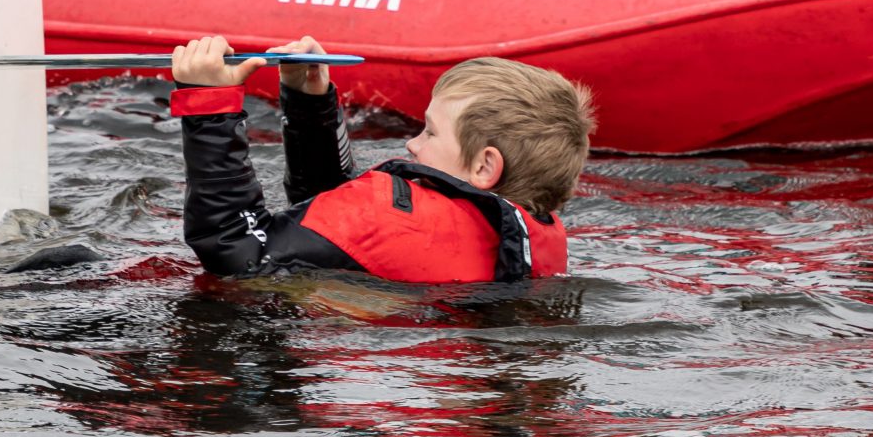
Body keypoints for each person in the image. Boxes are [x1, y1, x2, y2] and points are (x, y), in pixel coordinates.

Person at [169, 35, 591, 283]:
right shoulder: (530, 237)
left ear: (484, 167)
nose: (412, 144)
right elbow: (332, 221)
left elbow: (234, 248)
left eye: (430, 131)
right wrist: (308, 104)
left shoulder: (392, 220)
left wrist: (210, 108)